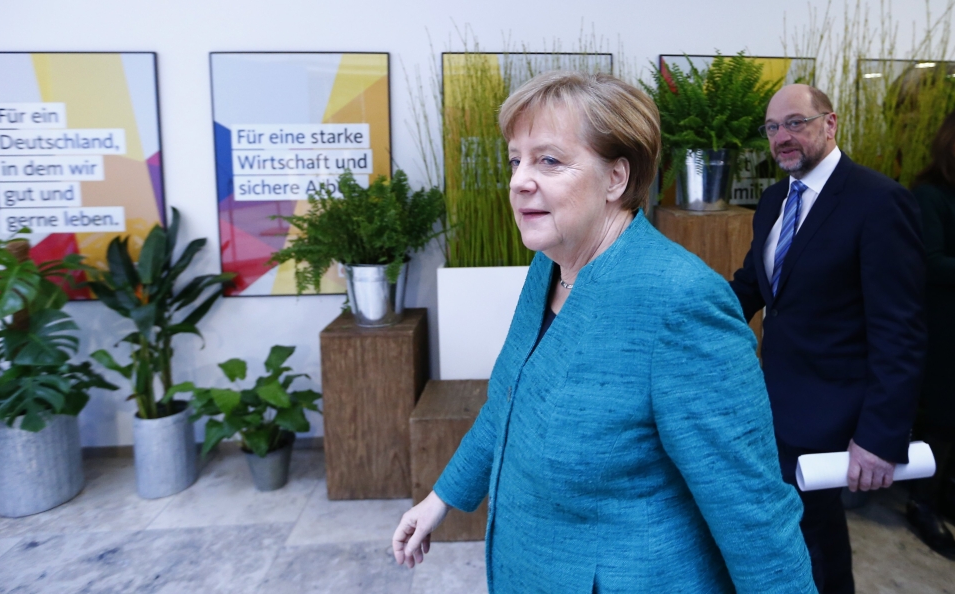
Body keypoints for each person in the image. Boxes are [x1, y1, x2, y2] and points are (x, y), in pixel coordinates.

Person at [392, 71, 816, 593]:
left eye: (548, 159)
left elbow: (752, 511)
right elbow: (510, 401)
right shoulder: (549, 265)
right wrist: (442, 498)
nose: (519, 178)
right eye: (515, 159)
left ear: (616, 178)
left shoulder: (679, 300)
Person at [729, 84, 927, 593]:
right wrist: (679, 313)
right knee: (790, 527)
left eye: (795, 122)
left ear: (830, 123)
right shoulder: (774, 201)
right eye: (773, 128)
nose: (782, 137)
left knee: (817, 538)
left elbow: (899, 330)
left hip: (837, 413)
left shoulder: (880, 202)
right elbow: (752, 285)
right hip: (775, 403)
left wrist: (880, 439)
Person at [906, 109, 955, 559]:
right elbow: (931, 262)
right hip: (942, 332)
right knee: (942, 421)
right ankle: (922, 503)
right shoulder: (929, 195)